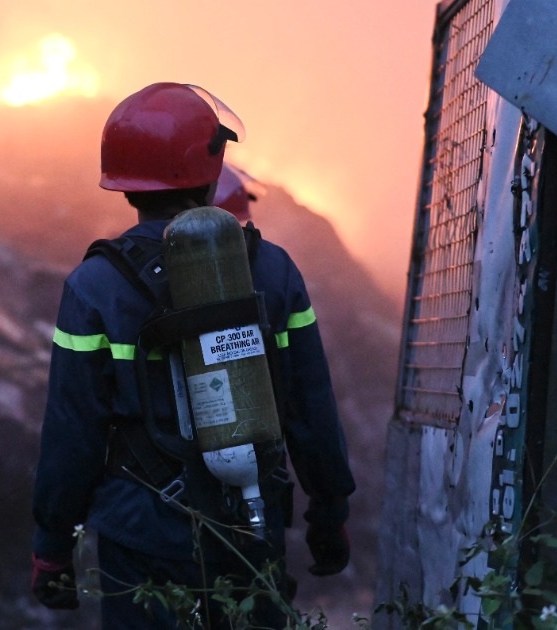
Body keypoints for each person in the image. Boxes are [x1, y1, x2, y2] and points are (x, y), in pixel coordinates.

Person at [30, 82, 355, 628]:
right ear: (211, 166)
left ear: (124, 183)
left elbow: (72, 429)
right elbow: (308, 404)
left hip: (140, 534)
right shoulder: (273, 271)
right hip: (250, 521)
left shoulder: (94, 287)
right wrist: (329, 510)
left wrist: (52, 544)